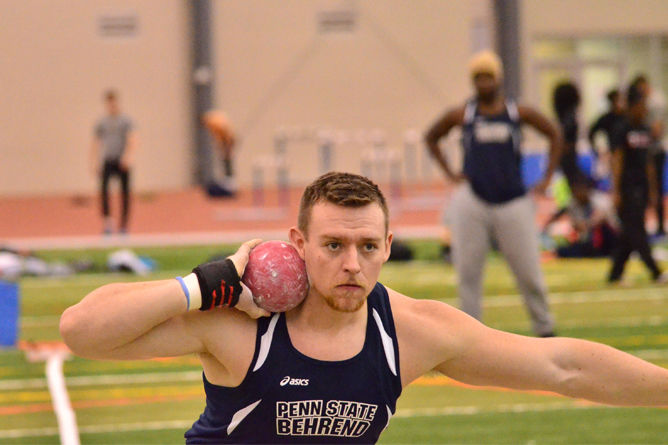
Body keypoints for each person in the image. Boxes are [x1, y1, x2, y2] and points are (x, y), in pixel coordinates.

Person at [60, 172, 668, 444]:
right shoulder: (243, 324)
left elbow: (563, 366)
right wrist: (199, 285)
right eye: (333, 245)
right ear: (298, 245)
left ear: (387, 250)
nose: (352, 263)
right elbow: (82, 331)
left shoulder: (412, 331)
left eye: (367, 246)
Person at [424, 50, 563, 337]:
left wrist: (546, 177)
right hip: (473, 199)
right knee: (468, 273)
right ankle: (470, 336)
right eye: (478, 77)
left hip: (513, 201)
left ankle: (544, 329)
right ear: (472, 82)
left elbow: (554, 133)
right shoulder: (464, 114)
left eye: (488, 76)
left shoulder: (516, 112)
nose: (484, 83)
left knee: (529, 273)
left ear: (498, 79)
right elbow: (432, 135)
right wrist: (450, 173)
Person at [608, 85, 666, 284]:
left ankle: (615, 274)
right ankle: (655, 271)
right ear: (633, 106)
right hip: (627, 186)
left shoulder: (645, 129)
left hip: (641, 186)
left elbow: (648, 162)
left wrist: (653, 189)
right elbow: (617, 159)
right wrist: (615, 189)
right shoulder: (622, 128)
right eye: (642, 105)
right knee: (637, 230)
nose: (645, 110)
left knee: (629, 232)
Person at [90, 89, 138, 235]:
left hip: (122, 160)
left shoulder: (126, 121)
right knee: (104, 191)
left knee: (125, 193)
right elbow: (96, 143)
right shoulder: (102, 122)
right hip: (108, 160)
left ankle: (123, 225)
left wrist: (128, 156)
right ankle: (108, 223)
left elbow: (133, 139)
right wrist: (94, 162)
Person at [630, 75, 666, 237]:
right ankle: (640, 228)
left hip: (653, 153)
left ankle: (658, 225)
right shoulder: (629, 123)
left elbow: (656, 131)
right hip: (642, 156)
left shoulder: (655, 103)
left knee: (654, 189)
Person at [542, 181, 617, 258]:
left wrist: (587, 224)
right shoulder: (573, 203)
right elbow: (573, 221)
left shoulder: (598, 200)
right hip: (587, 239)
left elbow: (601, 219)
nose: (578, 193)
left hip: (606, 237)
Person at [553, 81, 589, 188]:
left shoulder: (568, 119)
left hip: (568, 162)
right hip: (568, 162)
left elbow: (565, 142)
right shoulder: (568, 118)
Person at [202, 110, 237, 197]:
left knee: (227, 162)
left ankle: (230, 184)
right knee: (226, 162)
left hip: (226, 141)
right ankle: (229, 183)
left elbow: (224, 134)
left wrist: (225, 145)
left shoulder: (214, 123)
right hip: (226, 141)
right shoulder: (214, 122)